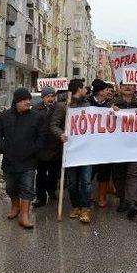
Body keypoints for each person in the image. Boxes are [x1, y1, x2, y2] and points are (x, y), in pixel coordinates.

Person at [0, 88, 45, 229]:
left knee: (27, 187)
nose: (28, 102)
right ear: (16, 101)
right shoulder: (4, 116)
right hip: (10, 160)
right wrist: (3, 148)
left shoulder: (36, 116)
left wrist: (34, 150)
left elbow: (42, 137)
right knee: (11, 187)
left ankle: (24, 215)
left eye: (28, 99)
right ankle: (15, 206)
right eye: (23, 100)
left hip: (29, 160)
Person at [50, 79, 93, 223]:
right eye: (84, 88)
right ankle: (76, 206)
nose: (86, 90)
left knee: (86, 181)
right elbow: (54, 125)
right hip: (71, 149)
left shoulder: (87, 104)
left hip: (86, 149)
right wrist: (60, 134)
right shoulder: (63, 106)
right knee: (73, 181)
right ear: (79, 89)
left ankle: (85, 208)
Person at [111, 83, 137, 220]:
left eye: (131, 85)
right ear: (120, 88)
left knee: (133, 174)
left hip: (136, 146)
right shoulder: (112, 104)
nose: (128, 87)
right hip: (117, 146)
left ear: (135, 88)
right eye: (124, 85)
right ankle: (122, 199)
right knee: (119, 174)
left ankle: (132, 202)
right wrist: (111, 111)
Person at [32, 87, 61, 208]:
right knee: (41, 174)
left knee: (54, 174)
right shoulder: (36, 109)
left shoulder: (59, 108)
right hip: (42, 147)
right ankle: (40, 197)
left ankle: (51, 189)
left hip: (55, 146)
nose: (50, 98)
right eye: (47, 96)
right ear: (43, 97)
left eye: (52, 96)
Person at [89, 79, 115, 208]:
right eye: (105, 90)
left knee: (104, 172)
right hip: (90, 145)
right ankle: (87, 194)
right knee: (89, 171)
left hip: (105, 145)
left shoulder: (110, 105)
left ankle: (102, 196)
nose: (108, 92)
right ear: (100, 92)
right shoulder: (87, 103)